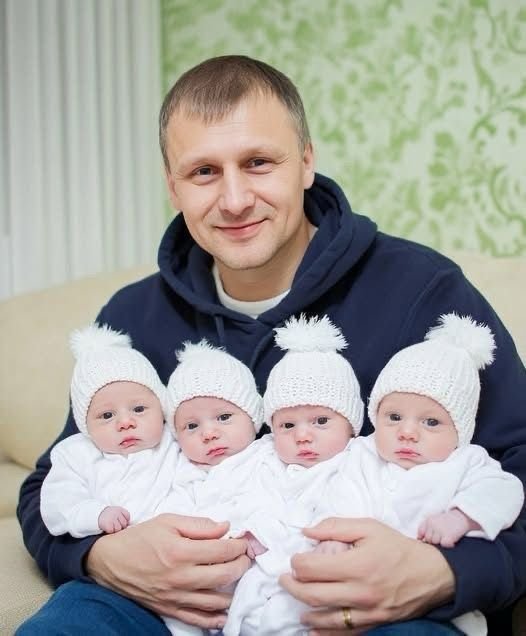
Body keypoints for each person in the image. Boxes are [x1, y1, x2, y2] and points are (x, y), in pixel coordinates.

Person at [16, 54, 526, 635]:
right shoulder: (133, 317)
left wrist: (443, 573)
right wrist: (101, 557)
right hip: (168, 612)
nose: (234, 199)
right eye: (203, 172)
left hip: (362, 613)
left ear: (306, 162)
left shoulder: (422, 291)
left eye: (258, 163)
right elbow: (50, 483)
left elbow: (518, 461)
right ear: (172, 185)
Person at [313, 313, 524, 636]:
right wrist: (334, 538)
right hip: (353, 591)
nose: (407, 432)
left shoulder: (466, 462)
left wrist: (461, 517)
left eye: (431, 422)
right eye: (394, 417)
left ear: (459, 431)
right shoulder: (362, 454)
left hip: (433, 610)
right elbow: (338, 494)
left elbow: (505, 491)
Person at [223, 314, 364, 636]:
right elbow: (233, 496)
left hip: (328, 580)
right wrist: (248, 530)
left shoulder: (358, 459)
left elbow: (362, 506)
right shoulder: (263, 458)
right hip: (258, 582)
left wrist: (337, 538)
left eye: (321, 421)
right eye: (287, 425)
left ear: (351, 425)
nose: (302, 436)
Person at [157, 339, 265, 635]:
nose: (209, 433)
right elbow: (166, 513)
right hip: (191, 578)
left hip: (256, 571)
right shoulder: (178, 469)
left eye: (224, 417)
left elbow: (283, 501)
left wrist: (259, 531)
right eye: (191, 426)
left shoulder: (266, 456)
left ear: (253, 418)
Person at [40, 323, 178, 539]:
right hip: (115, 546)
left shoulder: (174, 443)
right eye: (106, 415)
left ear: (162, 409)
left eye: (138, 409)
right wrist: (97, 514)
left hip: (179, 536)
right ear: (85, 425)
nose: (125, 422)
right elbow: (58, 502)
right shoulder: (76, 455)